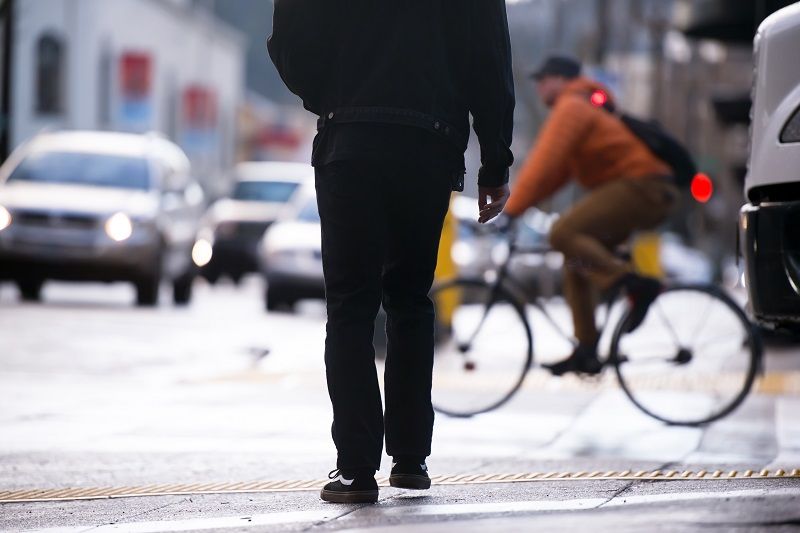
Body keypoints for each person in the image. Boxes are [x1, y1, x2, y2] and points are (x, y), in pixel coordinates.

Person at [268, 0, 514, 504]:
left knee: (351, 304)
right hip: (430, 143)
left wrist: (334, 94)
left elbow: (290, 35)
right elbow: (490, 58)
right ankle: (410, 459)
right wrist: (495, 160)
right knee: (410, 297)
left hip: (351, 139)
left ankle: (356, 470)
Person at [503, 55, 680, 376]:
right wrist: (522, 206)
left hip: (644, 187)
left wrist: (511, 210)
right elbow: (555, 175)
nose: (540, 86)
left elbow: (543, 162)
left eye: (543, 79)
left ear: (560, 79)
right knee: (576, 262)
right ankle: (586, 350)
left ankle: (632, 284)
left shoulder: (572, 106)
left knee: (561, 233)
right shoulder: (585, 106)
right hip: (647, 191)